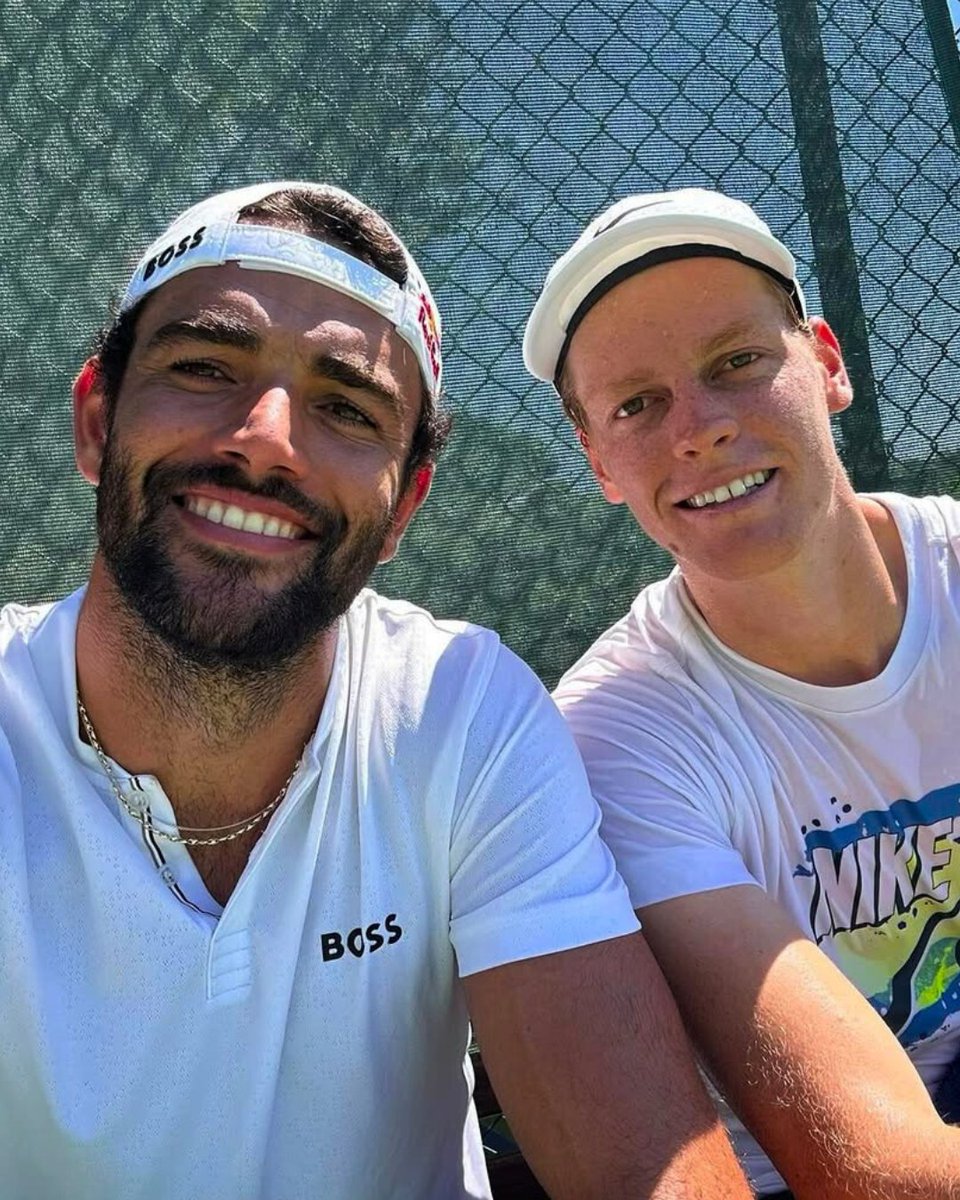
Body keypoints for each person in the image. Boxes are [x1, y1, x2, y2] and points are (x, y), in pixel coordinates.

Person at [0, 180, 750, 1200]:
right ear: (97, 420)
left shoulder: (460, 711)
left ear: (403, 511)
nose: (265, 435)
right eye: (205, 366)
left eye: (348, 409)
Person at [523, 188, 960, 1200]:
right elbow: (879, 1176)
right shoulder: (615, 735)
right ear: (599, 461)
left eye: (736, 363)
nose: (701, 428)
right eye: (637, 405)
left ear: (828, 363)